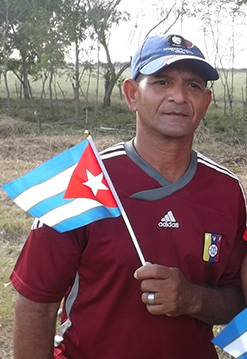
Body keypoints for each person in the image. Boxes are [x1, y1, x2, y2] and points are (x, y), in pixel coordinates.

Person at [11, 34, 247, 359]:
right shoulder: (83, 182)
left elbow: (236, 299)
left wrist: (191, 298)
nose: (178, 96)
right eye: (161, 82)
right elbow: (36, 305)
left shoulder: (227, 191)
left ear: (206, 101)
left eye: (193, 85)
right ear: (132, 94)